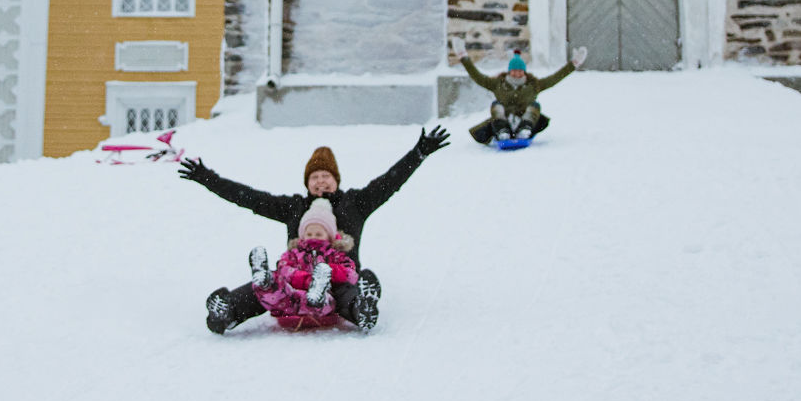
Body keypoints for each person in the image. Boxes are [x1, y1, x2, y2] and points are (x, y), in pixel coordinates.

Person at [179, 127, 449, 335]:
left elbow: (389, 183)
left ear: (336, 180)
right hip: (296, 278)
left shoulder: (355, 203)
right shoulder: (294, 207)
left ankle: (362, 309)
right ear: (307, 183)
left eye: (326, 176)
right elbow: (248, 197)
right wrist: (207, 178)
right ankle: (227, 311)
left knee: (348, 292)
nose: (321, 181)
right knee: (268, 285)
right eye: (314, 177)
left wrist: (419, 153)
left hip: (340, 276)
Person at [247, 197, 357, 331]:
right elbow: (284, 269)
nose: (313, 236)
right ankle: (265, 282)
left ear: (329, 236)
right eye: (309, 233)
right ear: (302, 235)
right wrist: (306, 280)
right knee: (278, 293)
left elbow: (351, 274)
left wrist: (330, 271)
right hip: (291, 297)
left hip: (322, 303)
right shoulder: (293, 254)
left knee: (327, 300)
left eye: (319, 233)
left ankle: (317, 294)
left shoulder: (334, 254)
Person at [457, 42, 587, 145]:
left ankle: (524, 130)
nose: (517, 73)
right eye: (514, 70)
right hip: (502, 120)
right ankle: (503, 131)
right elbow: (477, 77)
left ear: (524, 72)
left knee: (534, 105)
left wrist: (573, 65)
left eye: (520, 71)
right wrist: (464, 58)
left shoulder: (533, 85)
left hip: (526, 120)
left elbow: (555, 78)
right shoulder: (498, 84)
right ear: (509, 71)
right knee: (496, 105)